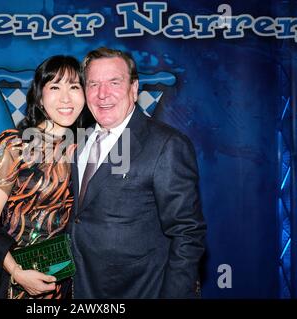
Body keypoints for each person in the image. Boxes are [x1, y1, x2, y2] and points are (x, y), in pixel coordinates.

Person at [68, 47, 207, 298]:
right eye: (93, 84)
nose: (102, 94)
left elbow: (187, 234)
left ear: (134, 88)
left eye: (114, 82)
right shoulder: (78, 142)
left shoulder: (166, 144)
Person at [0, 55, 87, 299]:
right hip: (16, 280)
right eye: (55, 87)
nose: (66, 98)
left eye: (74, 87)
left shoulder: (86, 149)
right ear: (39, 96)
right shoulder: (15, 145)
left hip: (66, 281)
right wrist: (17, 272)